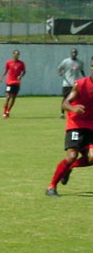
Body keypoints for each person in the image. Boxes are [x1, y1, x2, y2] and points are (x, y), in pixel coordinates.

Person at [46, 56, 93, 197]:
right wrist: (73, 109)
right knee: (72, 155)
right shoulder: (80, 84)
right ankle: (51, 187)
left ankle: (68, 168)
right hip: (76, 124)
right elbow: (65, 103)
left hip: (91, 126)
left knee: (92, 158)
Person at [57, 48, 84, 118]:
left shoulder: (80, 62)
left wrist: (85, 78)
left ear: (77, 54)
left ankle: (74, 112)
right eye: (73, 52)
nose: (74, 54)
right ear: (70, 53)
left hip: (75, 84)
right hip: (66, 84)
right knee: (65, 98)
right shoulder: (66, 61)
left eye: (75, 53)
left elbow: (81, 71)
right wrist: (60, 73)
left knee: (76, 98)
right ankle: (62, 114)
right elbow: (59, 68)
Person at [0, 50, 26, 119]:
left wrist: (20, 76)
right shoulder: (9, 62)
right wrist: (2, 77)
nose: (16, 55)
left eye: (18, 54)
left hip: (16, 83)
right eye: (15, 54)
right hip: (9, 82)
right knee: (7, 97)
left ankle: (8, 111)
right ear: (13, 54)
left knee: (13, 98)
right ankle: (4, 112)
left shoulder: (21, 63)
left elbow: (24, 71)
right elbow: (6, 70)